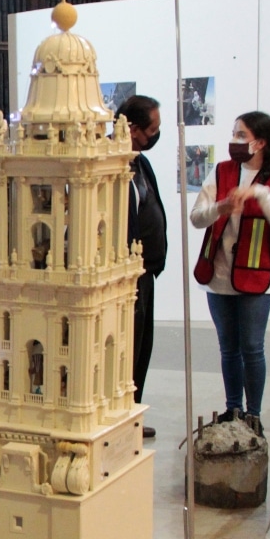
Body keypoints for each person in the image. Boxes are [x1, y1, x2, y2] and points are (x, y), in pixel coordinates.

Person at [191, 111, 270, 434]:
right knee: (228, 348)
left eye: (240, 135)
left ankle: (254, 414)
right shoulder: (220, 172)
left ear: (259, 142)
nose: (234, 141)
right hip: (218, 276)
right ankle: (232, 408)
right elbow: (197, 218)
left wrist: (260, 194)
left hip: (258, 278)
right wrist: (221, 206)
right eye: (234, 134)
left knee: (252, 347)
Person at [119, 95, 167, 439]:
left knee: (141, 349)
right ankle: (119, 418)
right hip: (122, 277)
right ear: (133, 128)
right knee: (123, 348)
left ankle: (132, 414)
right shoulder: (110, 161)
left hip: (145, 274)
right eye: (153, 129)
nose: (156, 135)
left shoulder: (141, 162)